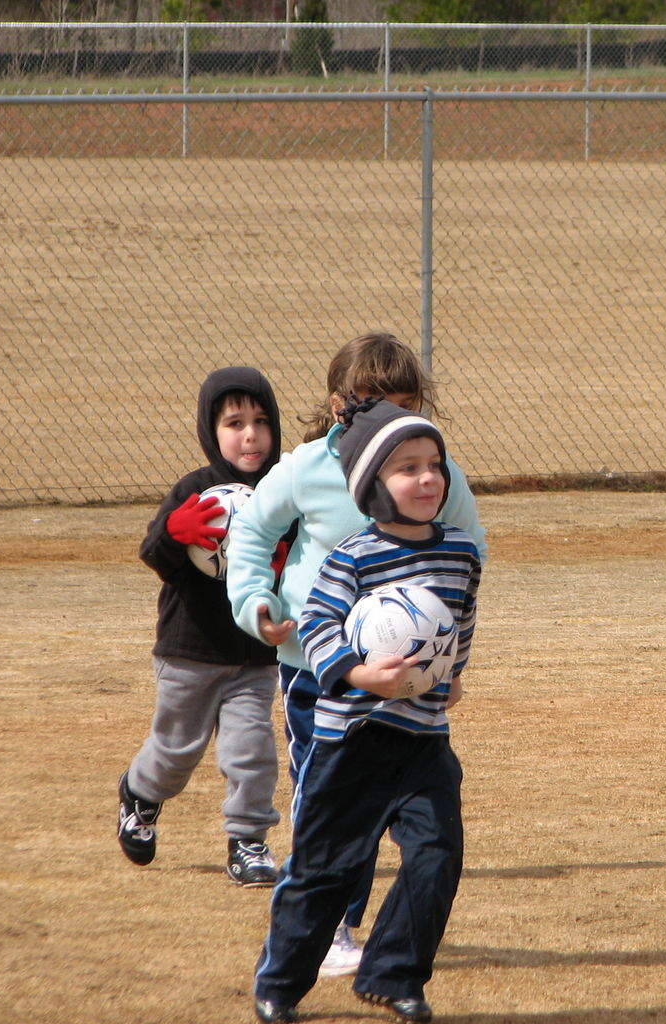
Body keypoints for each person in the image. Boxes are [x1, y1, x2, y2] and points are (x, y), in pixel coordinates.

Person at [227, 331, 487, 975]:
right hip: (315, 670)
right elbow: (253, 531)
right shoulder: (307, 467)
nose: (397, 419)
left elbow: (467, 556)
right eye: (377, 403)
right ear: (340, 404)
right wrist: (257, 602)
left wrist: (447, 661)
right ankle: (322, 932)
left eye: (408, 403)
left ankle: (356, 928)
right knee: (327, 802)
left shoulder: (433, 473)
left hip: (402, 683)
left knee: (393, 805)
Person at [117, 366, 286, 887]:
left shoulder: (283, 491)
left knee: (251, 751)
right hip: (190, 651)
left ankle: (248, 842)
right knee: (175, 752)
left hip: (254, 656)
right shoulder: (195, 488)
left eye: (261, 421)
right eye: (234, 422)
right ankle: (140, 795)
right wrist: (175, 532)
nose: (251, 434)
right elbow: (154, 554)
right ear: (211, 433)